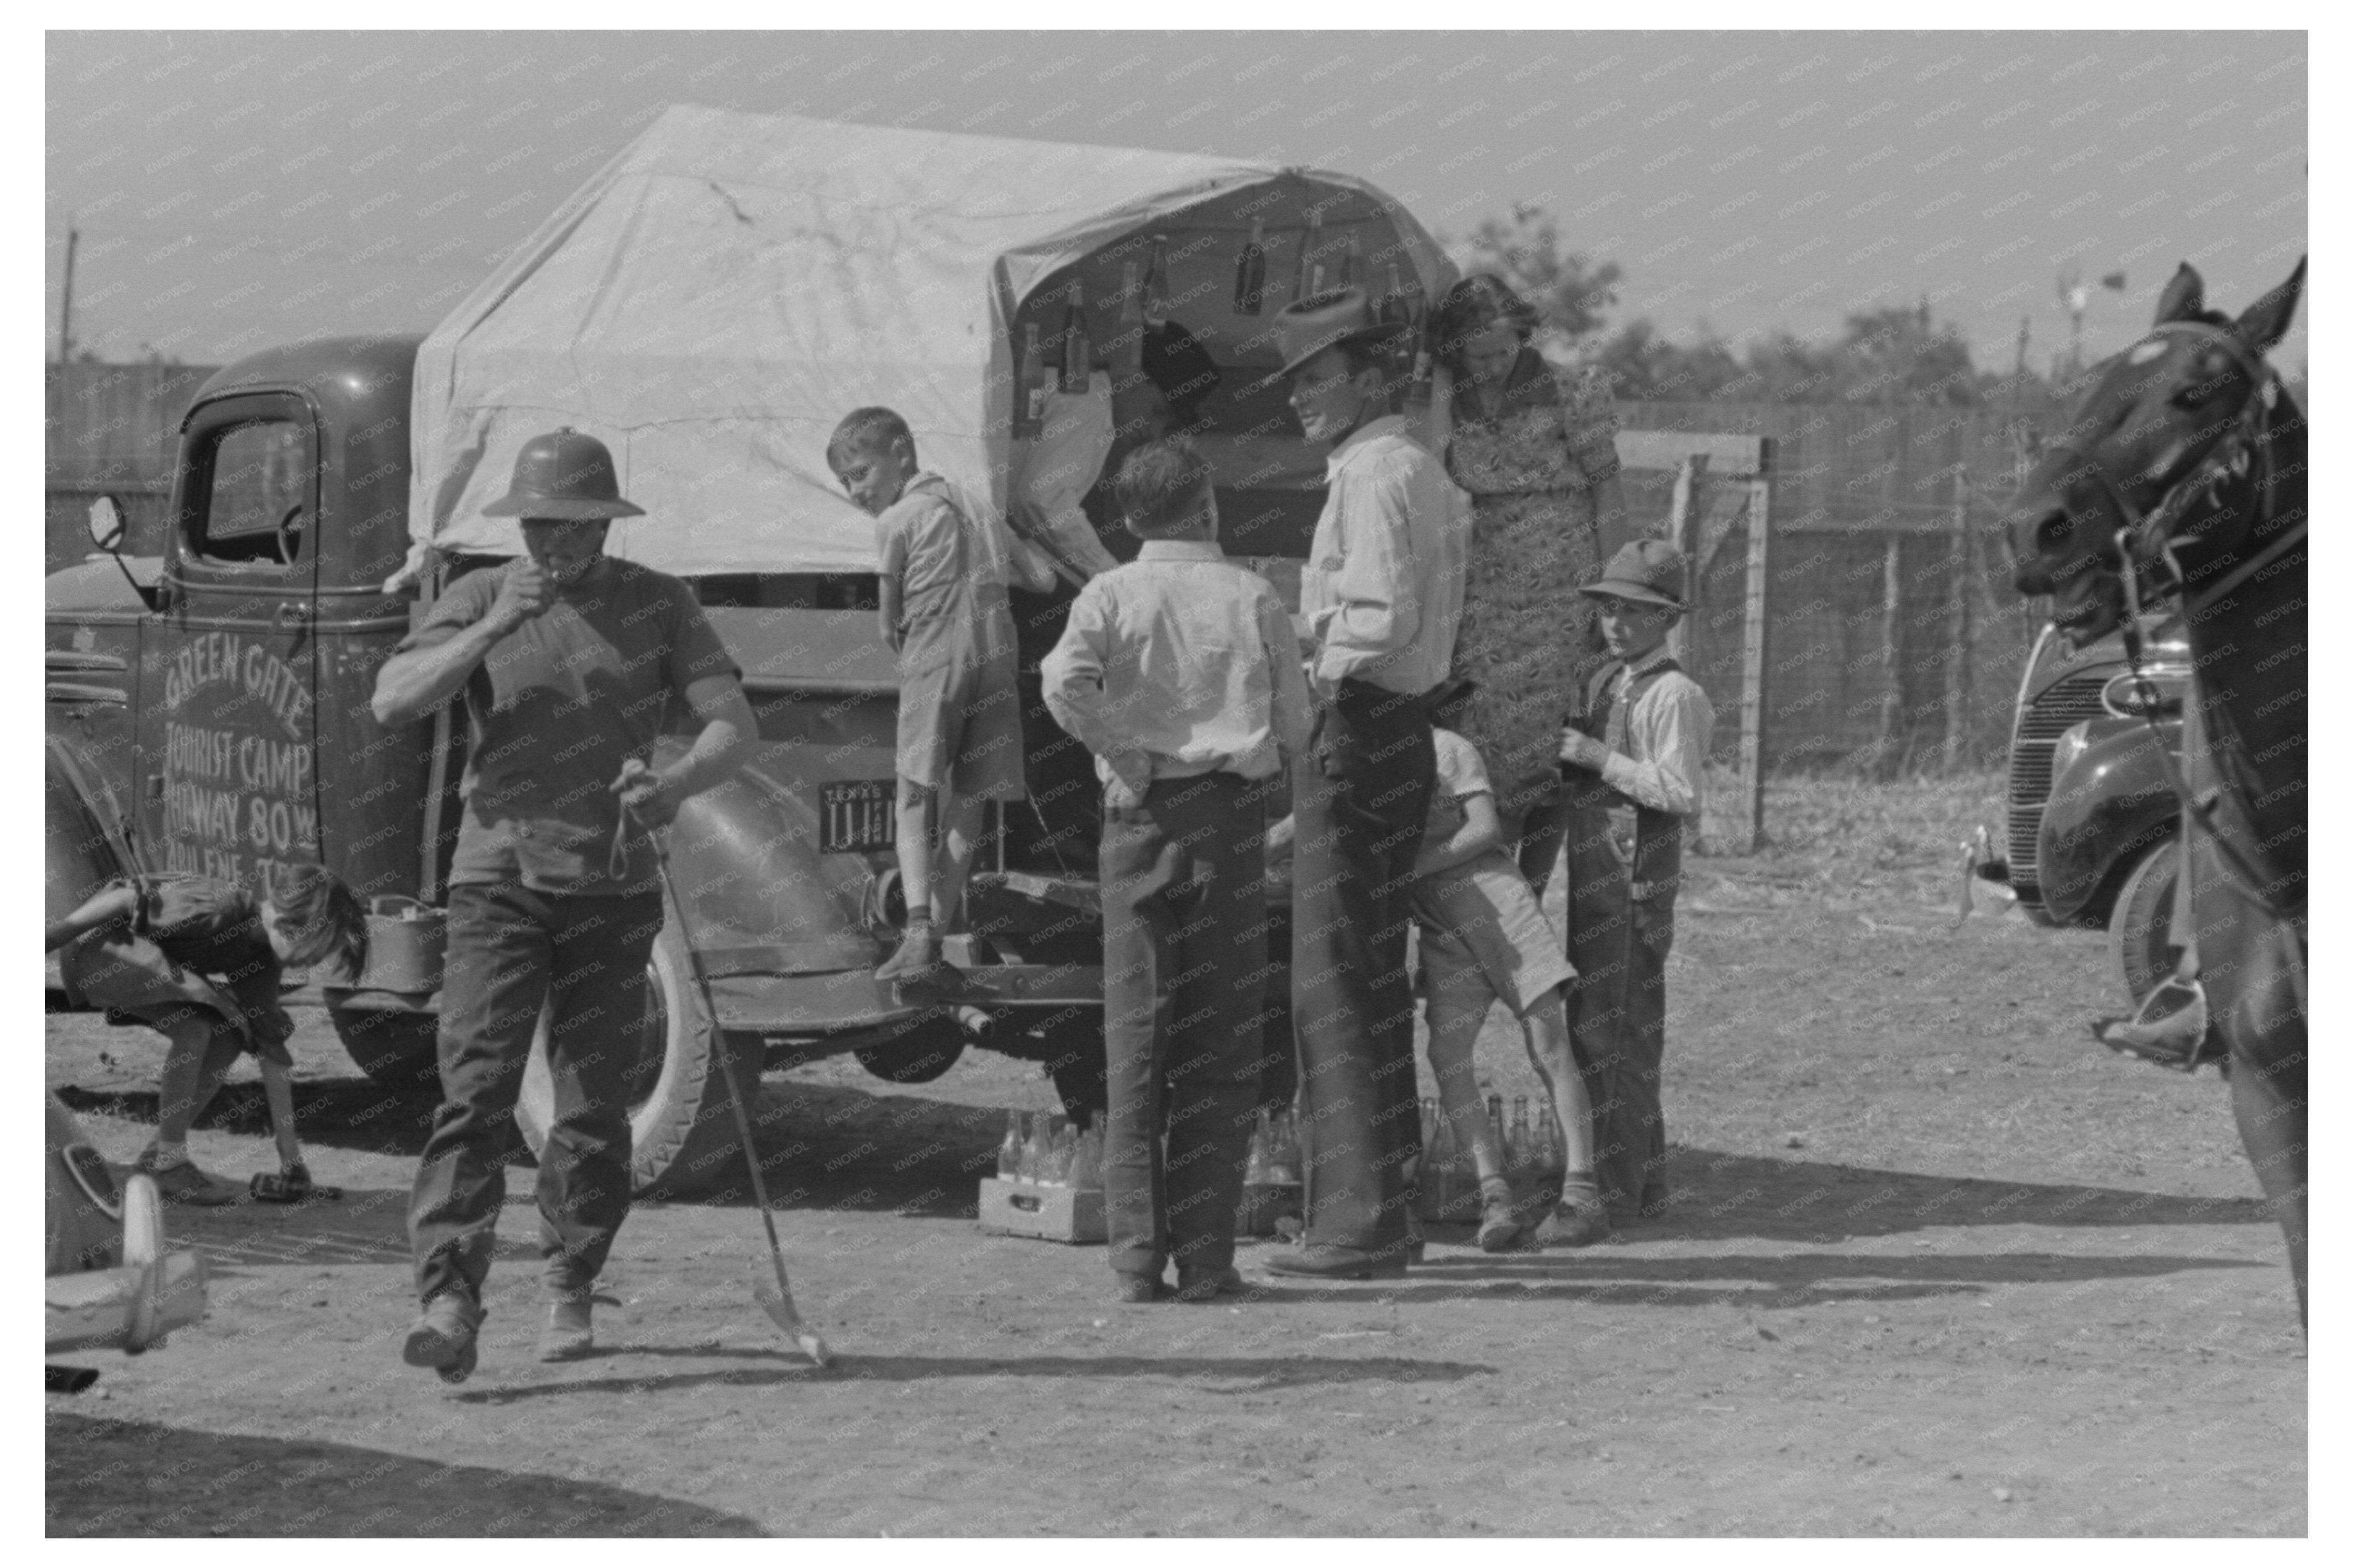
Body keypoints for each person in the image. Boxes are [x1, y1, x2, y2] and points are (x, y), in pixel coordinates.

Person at [372, 427, 755, 1379]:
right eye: (544, 525)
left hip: (613, 884)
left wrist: (675, 787)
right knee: (474, 1091)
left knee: (591, 1108)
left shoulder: (658, 602)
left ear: (609, 525)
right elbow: (392, 700)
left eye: (580, 526)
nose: (560, 544)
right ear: (521, 524)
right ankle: (450, 1299)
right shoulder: (476, 595)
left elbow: (733, 727)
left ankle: (570, 1280)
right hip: (496, 878)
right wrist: (495, 623)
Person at [1040, 436, 1309, 1304]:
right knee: (1222, 1044)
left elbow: (1060, 685)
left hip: (1135, 818)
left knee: (1135, 1038)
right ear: (1208, 504)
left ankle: (1132, 1260)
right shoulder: (1256, 595)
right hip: (1228, 825)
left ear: (1123, 516)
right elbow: (1299, 725)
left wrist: (1124, 746)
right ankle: (1205, 1259)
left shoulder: (1109, 592)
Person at [1259, 287, 1468, 1282]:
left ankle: (1350, 1222)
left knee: (1333, 977)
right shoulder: (1409, 466)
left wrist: (1314, 666)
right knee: (1370, 971)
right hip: (1400, 729)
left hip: (1361, 719)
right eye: (1294, 383)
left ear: (1369, 380)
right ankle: (1383, 1209)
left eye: (1318, 380)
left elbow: (1377, 617)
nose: (1302, 400)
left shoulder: (1376, 473)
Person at [829, 406, 1057, 992]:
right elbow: (1044, 581)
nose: (857, 491)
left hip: (937, 655)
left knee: (914, 793)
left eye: (859, 473)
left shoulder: (898, 519)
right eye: (848, 482)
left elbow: (887, 623)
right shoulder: (979, 507)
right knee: (974, 795)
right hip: (998, 655)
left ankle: (918, 928)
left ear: (902, 453)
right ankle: (936, 927)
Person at [1430, 273, 1631, 892]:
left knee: (1548, 751)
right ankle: (1481, 893)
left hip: (1561, 601)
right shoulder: (1442, 398)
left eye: (1502, 350)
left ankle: (1531, 895)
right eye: (1477, 353)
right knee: (1478, 740)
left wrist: (1613, 591)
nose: (1490, 365)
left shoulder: (1572, 391)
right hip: (1481, 599)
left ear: (1522, 333)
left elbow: (1607, 488)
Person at [1406, 698, 1610, 1252]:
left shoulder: (1449, 749)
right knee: (1447, 1056)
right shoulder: (1383, 761)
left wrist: (1406, 869)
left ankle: (1581, 1192)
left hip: (1502, 910)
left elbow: (1484, 829)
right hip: (1443, 927)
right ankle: (1494, 1196)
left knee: (1548, 1043)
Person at [1556, 540, 1716, 1226]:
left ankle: (1613, 1192)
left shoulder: (1675, 695)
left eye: (1634, 612)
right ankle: (1640, 1181)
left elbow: (1680, 793)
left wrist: (1599, 757)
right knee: (1601, 1022)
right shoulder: (1607, 683)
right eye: (1610, 610)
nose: (1616, 624)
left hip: (1635, 882)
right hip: (1595, 879)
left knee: (1615, 1031)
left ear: (1668, 619)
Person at [48, 865, 368, 1205]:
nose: (313, 961)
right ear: (289, 922)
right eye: (317, 949)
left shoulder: (261, 961)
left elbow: (271, 1050)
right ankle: (170, 1163)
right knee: (197, 1025)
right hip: (97, 947)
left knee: (230, 1033)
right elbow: (125, 899)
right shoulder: (221, 907)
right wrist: (51, 938)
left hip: (130, 960)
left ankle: (158, 1155)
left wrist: (290, 1158)